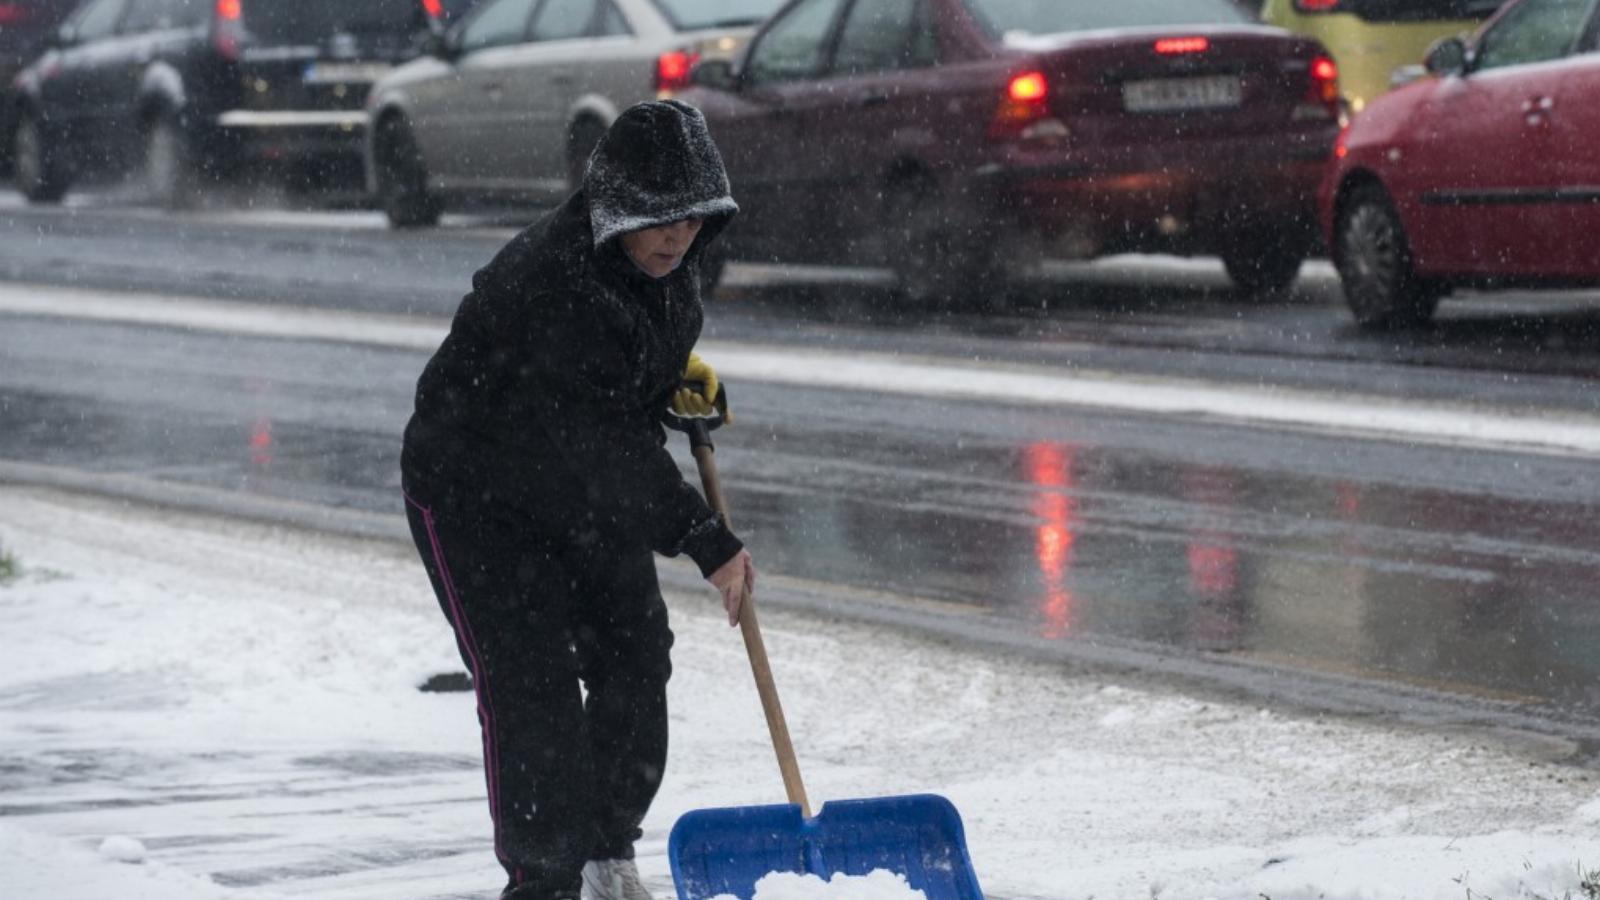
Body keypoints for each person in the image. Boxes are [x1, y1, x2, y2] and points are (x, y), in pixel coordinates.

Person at [399, 100, 755, 900]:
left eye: (692, 219)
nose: (677, 236)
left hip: (577, 483)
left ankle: (605, 846)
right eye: (658, 219)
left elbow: (618, 395)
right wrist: (706, 539)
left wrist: (669, 385)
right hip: (475, 490)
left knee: (634, 654)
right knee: (533, 690)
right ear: (613, 210)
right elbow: (600, 444)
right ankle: (545, 878)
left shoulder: (671, 267)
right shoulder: (550, 281)